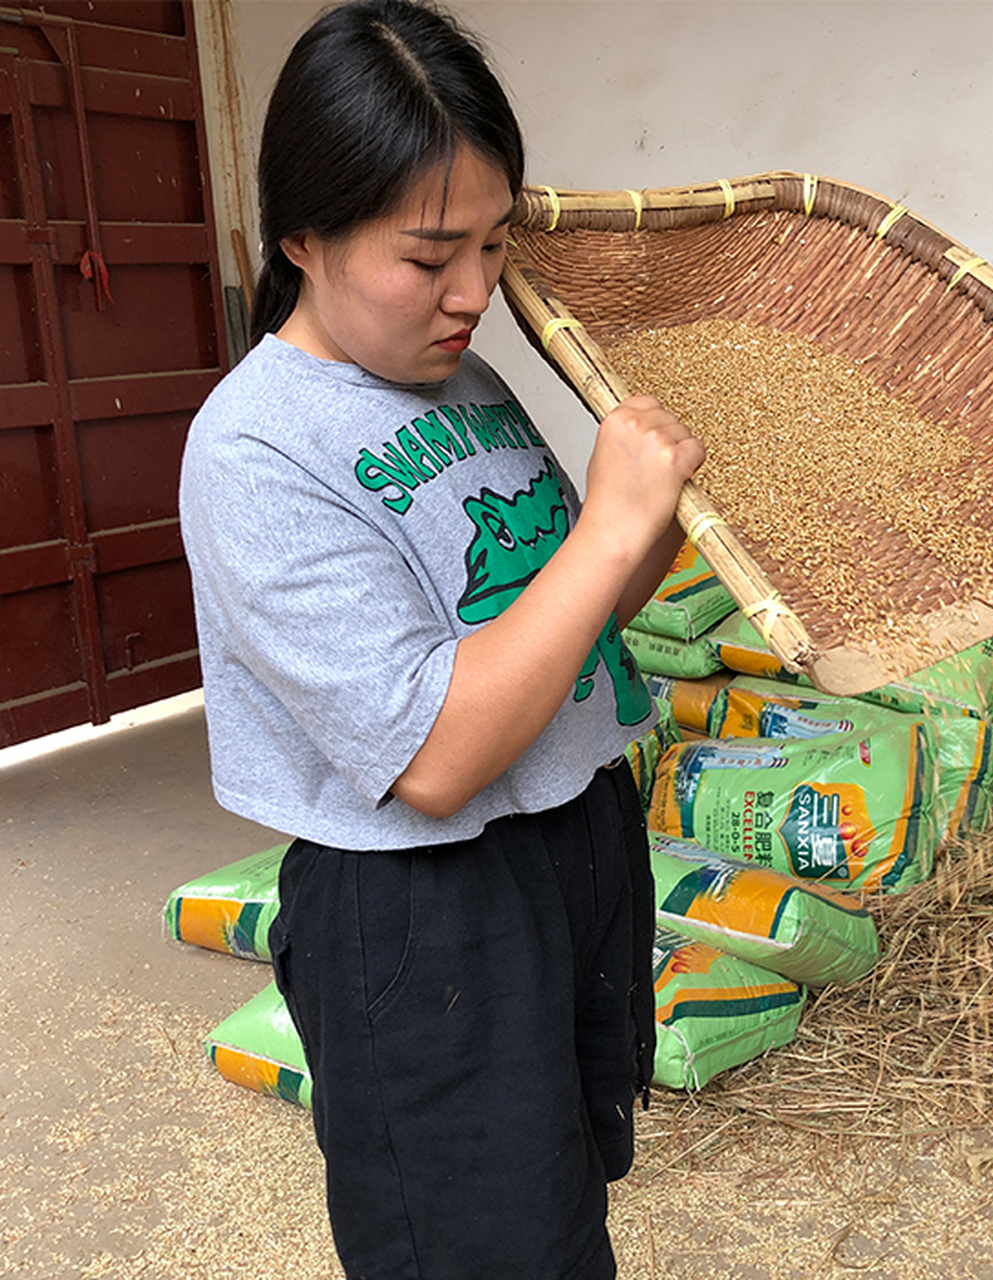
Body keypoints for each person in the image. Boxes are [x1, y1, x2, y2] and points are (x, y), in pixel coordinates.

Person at [178, 2, 704, 1276]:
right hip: (425, 908)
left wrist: (671, 524)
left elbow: (560, 628)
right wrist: (608, 524)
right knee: (472, 1245)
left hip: (570, 840)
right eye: (430, 255)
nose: (477, 291)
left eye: (492, 239)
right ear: (303, 236)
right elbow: (435, 754)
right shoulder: (254, 449)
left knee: (561, 1205)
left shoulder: (455, 374)